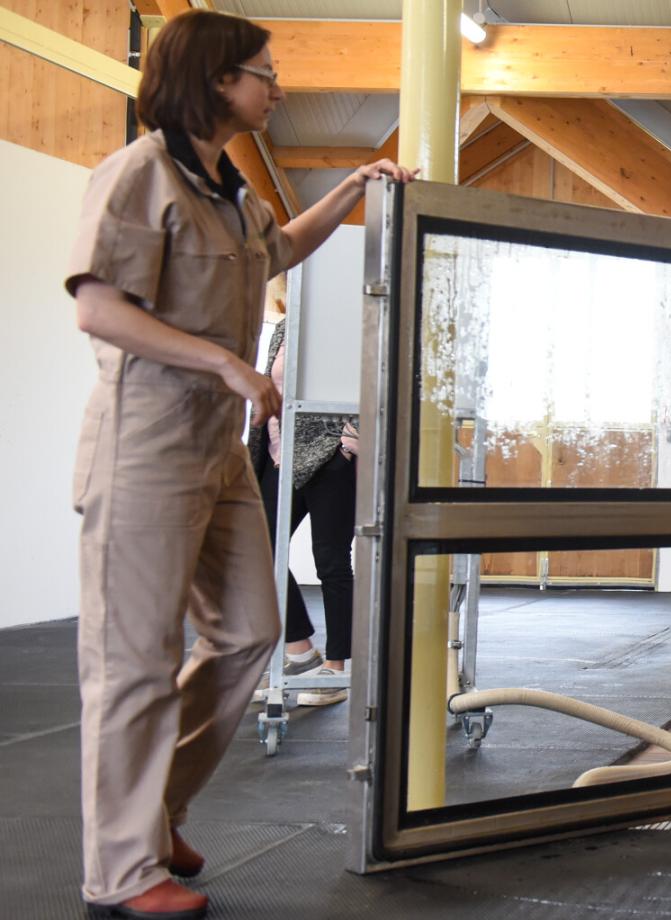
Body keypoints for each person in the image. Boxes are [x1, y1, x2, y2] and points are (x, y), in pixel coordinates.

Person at [65, 10, 415, 918]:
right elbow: (100, 310)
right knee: (134, 664)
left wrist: (351, 190)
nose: (278, 87)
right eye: (264, 73)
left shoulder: (227, 188)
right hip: (145, 445)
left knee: (252, 634)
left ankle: (155, 812)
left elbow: (281, 249)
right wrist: (226, 362)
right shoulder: (138, 177)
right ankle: (120, 872)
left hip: (216, 450)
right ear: (218, 80)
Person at [250, 317, 358, 706]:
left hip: (329, 457)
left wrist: (348, 444)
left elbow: (369, 380)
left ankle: (336, 667)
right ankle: (300, 651)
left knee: (330, 561)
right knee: (258, 551)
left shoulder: (342, 313)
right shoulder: (284, 324)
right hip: (279, 455)